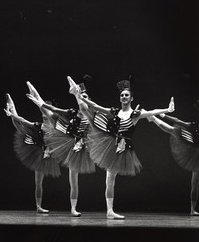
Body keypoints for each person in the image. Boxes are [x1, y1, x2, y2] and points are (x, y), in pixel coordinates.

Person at [69, 76, 174, 219]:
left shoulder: (135, 114)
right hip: (111, 143)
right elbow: (97, 107)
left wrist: (168, 110)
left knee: (111, 178)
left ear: (131, 99)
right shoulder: (115, 111)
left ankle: (109, 211)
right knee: (109, 179)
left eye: (126, 95)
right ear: (120, 98)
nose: (124, 97)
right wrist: (82, 98)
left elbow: (151, 111)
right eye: (122, 95)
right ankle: (110, 211)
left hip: (123, 148)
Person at [26, 79, 95, 217]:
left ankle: (73, 208)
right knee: (48, 114)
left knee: (73, 180)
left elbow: (85, 108)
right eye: (82, 97)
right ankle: (36, 93)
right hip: (66, 133)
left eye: (86, 98)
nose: (83, 100)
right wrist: (39, 102)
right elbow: (55, 110)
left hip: (78, 143)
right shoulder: (74, 112)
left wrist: (78, 93)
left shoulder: (91, 114)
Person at [4, 93, 60, 213]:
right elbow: (24, 121)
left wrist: (49, 151)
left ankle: (12, 111)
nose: (44, 117)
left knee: (39, 182)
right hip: (37, 143)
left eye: (46, 116)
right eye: (43, 115)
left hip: (48, 149)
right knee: (20, 126)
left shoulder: (55, 125)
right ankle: (38, 206)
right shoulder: (39, 125)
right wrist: (12, 114)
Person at [147, 100, 199, 216]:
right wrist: (164, 115)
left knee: (172, 130)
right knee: (173, 130)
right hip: (195, 152)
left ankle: (153, 119)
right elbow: (179, 122)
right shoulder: (194, 125)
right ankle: (192, 209)